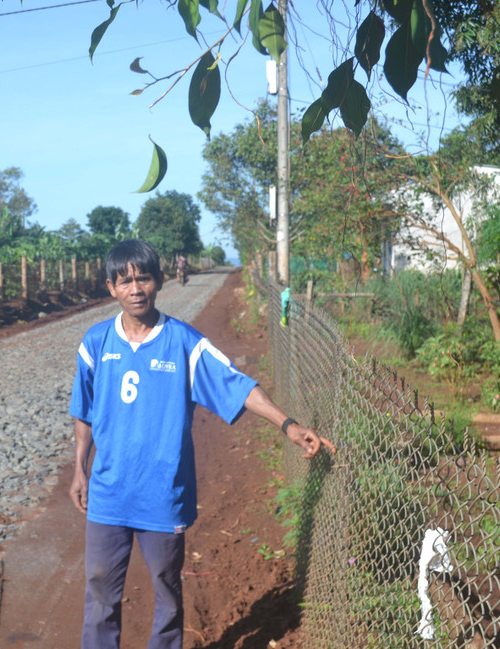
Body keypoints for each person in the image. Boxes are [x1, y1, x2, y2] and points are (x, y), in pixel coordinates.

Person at [68, 239, 335, 649]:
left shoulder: (184, 343)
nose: (136, 289)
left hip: (162, 494)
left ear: (159, 282)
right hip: (109, 493)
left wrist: (288, 425)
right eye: (126, 281)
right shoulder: (95, 343)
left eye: (144, 279)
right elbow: (83, 414)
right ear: (111, 287)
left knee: (166, 595)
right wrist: (79, 470)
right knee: (100, 593)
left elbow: (237, 385)